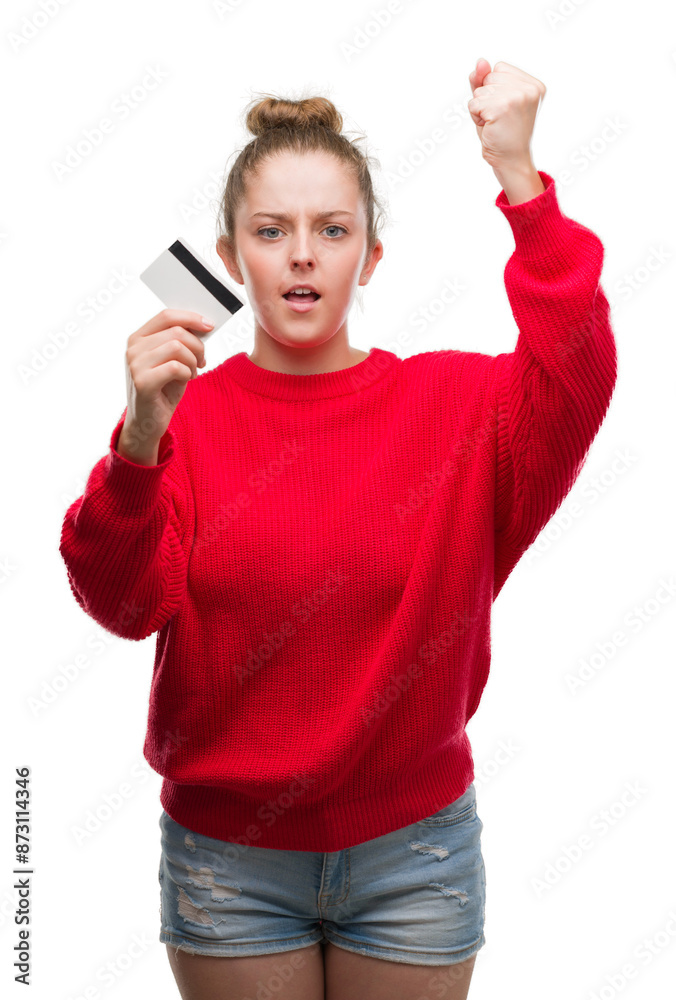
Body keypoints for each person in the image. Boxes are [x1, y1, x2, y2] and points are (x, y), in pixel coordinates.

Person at [58, 60, 618, 1000]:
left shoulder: (457, 407)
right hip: (229, 862)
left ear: (371, 257)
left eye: (333, 230)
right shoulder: (181, 418)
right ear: (232, 261)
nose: (304, 255)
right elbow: (121, 602)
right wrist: (139, 443)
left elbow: (579, 372)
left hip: (415, 856)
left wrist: (520, 177)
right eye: (272, 232)